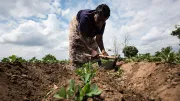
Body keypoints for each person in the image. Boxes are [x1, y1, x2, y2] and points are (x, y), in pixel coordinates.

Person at [69, 4, 110, 69]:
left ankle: (100, 66)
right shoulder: (85, 17)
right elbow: (81, 36)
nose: (100, 23)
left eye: (103, 21)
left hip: (89, 31)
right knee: (76, 45)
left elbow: (99, 39)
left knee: (94, 46)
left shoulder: (102, 23)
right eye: (99, 19)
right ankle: (75, 67)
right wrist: (91, 51)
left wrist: (103, 50)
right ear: (95, 13)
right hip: (77, 27)